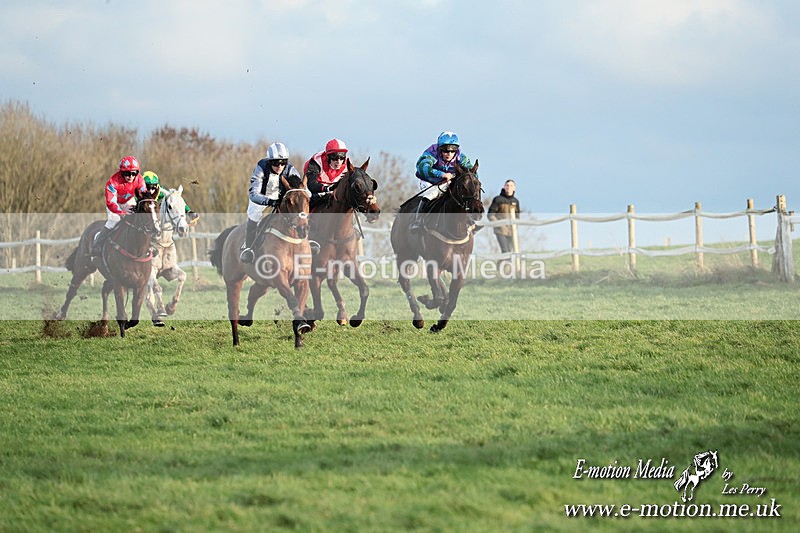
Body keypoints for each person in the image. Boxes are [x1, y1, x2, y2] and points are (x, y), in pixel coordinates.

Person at [240, 142, 302, 263]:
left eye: (283, 162)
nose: (279, 166)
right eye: (275, 163)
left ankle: (307, 240)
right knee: (254, 213)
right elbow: (253, 195)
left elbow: (299, 190)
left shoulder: (291, 169)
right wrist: (270, 201)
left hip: (281, 198)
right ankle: (249, 248)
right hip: (262, 197)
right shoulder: (261, 167)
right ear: (269, 161)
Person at [410, 131, 476, 233]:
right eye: (445, 151)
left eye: (452, 151)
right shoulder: (431, 153)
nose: (449, 154)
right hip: (429, 181)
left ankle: (469, 221)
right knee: (431, 194)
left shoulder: (461, 158)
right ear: (440, 149)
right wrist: (441, 174)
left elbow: (472, 173)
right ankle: (418, 221)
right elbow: (422, 167)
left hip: (447, 183)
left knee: (460, 195)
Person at [91, 155, 147, 257]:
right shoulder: (112, 182)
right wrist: (122, 213)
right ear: (121, 172)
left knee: (140, 217)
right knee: (114, 219)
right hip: (114, 203)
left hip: (128, 201)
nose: (130, 176)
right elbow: (111, 202)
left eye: (133, 173)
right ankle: (97, 243)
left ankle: (149, 244)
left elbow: (144, 196)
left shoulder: (139, 180)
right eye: (126, 173)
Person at [304, 138, 350, 208]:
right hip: (315, 191)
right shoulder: (316, 162)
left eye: (342, 158)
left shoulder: (347, 165)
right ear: (328, 157)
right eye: (335, 157)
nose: (338, 161)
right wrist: (327, 188)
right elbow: (311, 185)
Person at [487, 179, 521, 255]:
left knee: (511, 252)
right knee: (506, 252)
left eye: (511, 185)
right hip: (500, 231)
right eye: (507, 185)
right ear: (504, 187)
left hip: (512, 231)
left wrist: (515, 227)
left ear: (514, 188)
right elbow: (490, 215)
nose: (509, 187)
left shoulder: (515, 201)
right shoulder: (498, 199)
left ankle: (502, 266)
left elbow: (517, 217)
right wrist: (500, 225)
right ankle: (502, 266)